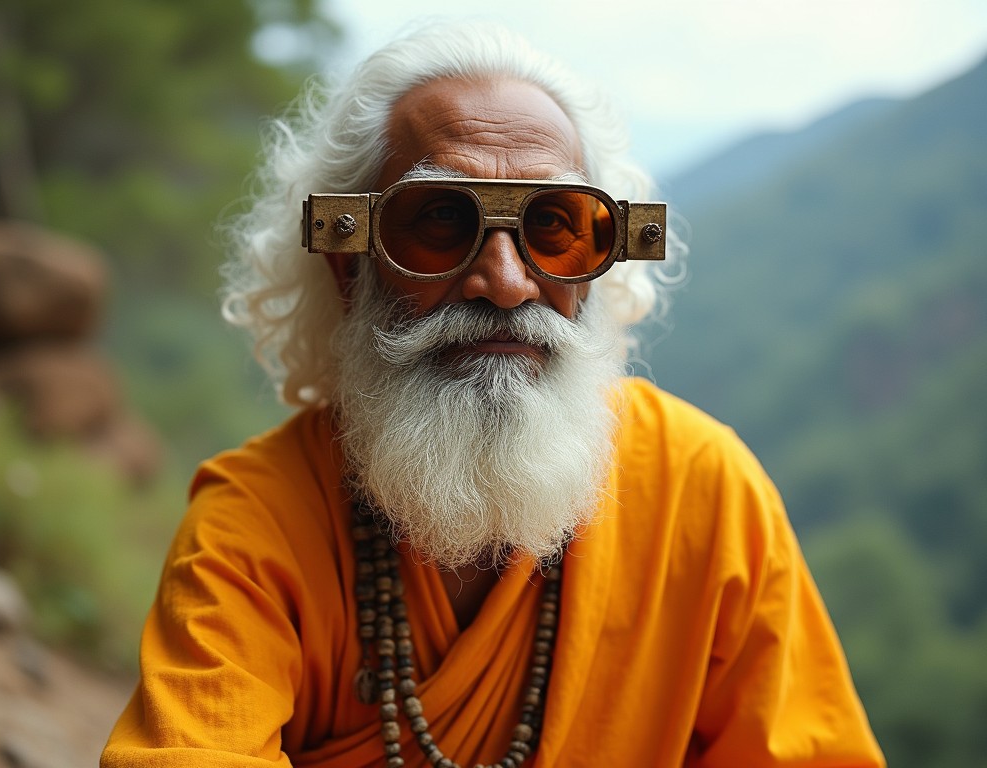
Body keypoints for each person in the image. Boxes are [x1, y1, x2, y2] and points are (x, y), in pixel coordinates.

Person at [101, 21, 885, 768]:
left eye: (555, 226)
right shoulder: (260, 522)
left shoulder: (701, 490)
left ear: (599, 272)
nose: (506, 284)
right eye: (440, 219)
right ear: (350, 268)